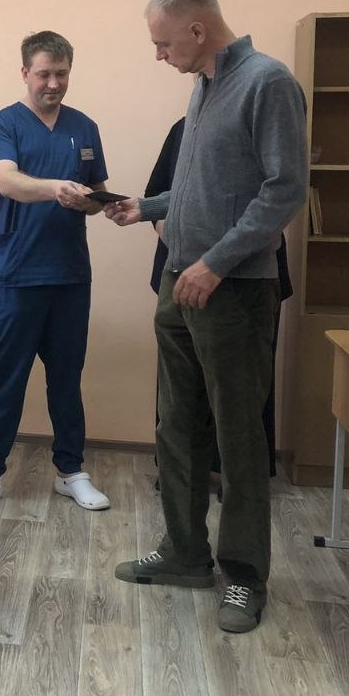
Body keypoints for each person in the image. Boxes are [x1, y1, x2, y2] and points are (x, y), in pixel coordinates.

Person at [106, 0, 307, 633]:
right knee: (177, 424)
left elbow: (283, 191)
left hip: (233, 290)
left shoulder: (267, 83)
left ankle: (245, 574)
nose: (159, 55)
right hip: (179, 282)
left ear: (197, 29)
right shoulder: (202, 88)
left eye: (163, 43)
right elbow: (199, 189)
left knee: (237, 434)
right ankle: (185, 552)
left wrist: (216, 263)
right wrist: (146, 208)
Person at [0, 30, 111, 516]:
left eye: (62, 74)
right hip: (15, 276)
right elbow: (8, 182)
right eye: (44, 74)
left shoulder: (84, 127)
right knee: (6, 378)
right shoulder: (2, 124)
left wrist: (97, 203)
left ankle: (71, 471)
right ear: (25, 72)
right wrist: (57, 188)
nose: (53, 83)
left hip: (69, 276)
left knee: (67, 380)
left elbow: (95, 193)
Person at [145, 116, 291, 486]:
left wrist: (215, 260)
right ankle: (181, 476)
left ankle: (237, 481)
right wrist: (176, 239)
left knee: (240, 393)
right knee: (180, 391)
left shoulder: (263, 120)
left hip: (247, 277)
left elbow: (276, 199)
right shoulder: (184, 127)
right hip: (182, 272)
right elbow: (163, 197)